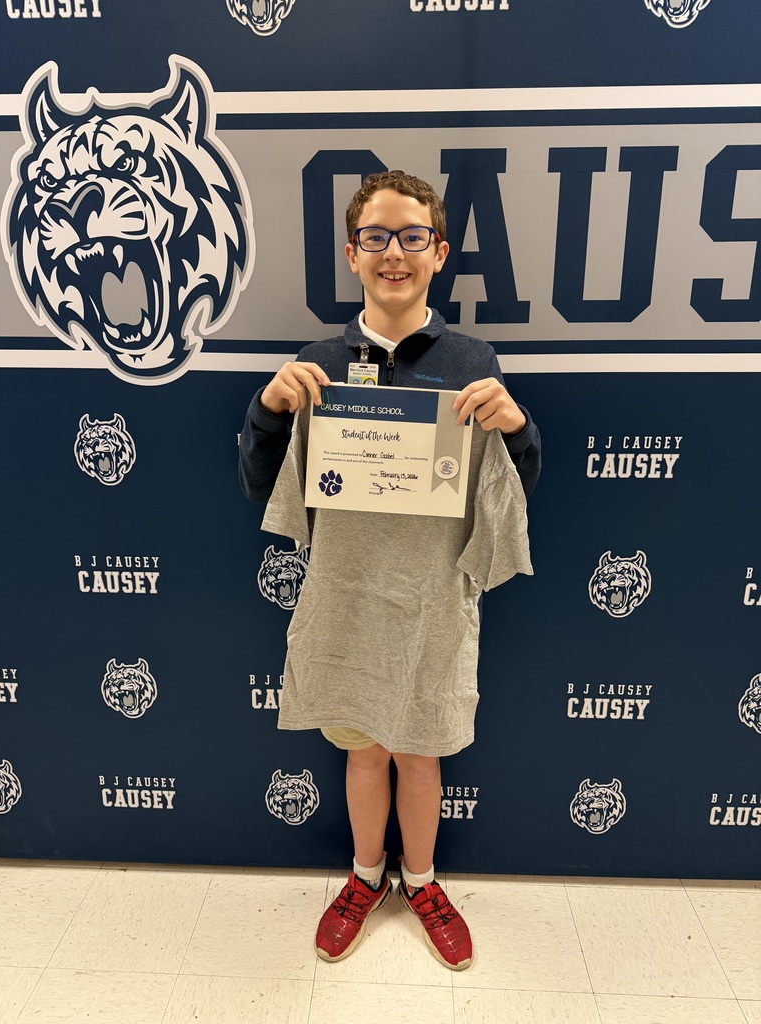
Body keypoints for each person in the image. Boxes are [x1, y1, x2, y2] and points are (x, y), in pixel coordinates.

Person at [239, 170, 540, 971]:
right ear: (352, 254)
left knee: (421, 750)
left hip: (433, 597)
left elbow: (509, 493)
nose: (394, 253)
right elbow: (261, 485)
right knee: (364, 749)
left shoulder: (474, 357)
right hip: (347, 594)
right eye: (376, 237)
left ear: (438, 253)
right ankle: (366, 876)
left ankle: (425, 879)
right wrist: (268, 411)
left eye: (412, 237)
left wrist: (517, 431)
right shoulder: (318, 362)